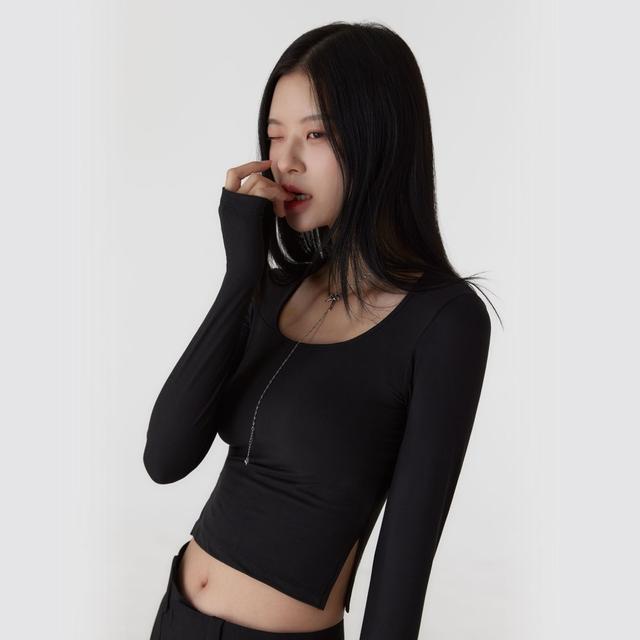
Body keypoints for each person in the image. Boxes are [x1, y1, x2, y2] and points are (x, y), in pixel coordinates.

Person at [144, 21, 496, 640]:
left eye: (316, 134)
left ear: (379, 139)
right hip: (176, 620)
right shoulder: (273, 288)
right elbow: (165, 458)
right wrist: (240, 277)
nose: (287, 161)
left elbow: (404, 563)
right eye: (274, 136)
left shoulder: (444, 321)